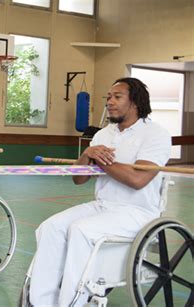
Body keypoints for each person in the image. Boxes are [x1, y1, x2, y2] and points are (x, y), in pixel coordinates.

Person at [29, 77, 171, 307]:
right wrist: (87, 155)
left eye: (117, 97)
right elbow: (78, 178)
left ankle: (71, 303)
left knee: (81, 230)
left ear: (135, 102)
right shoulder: (103, 134)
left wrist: (102, 162)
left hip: (138, 212)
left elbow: (137, 180)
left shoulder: (157, 134)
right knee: (50, 228)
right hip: (103, 206)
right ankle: (41, 302)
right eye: (108, 97)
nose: (109, 102)